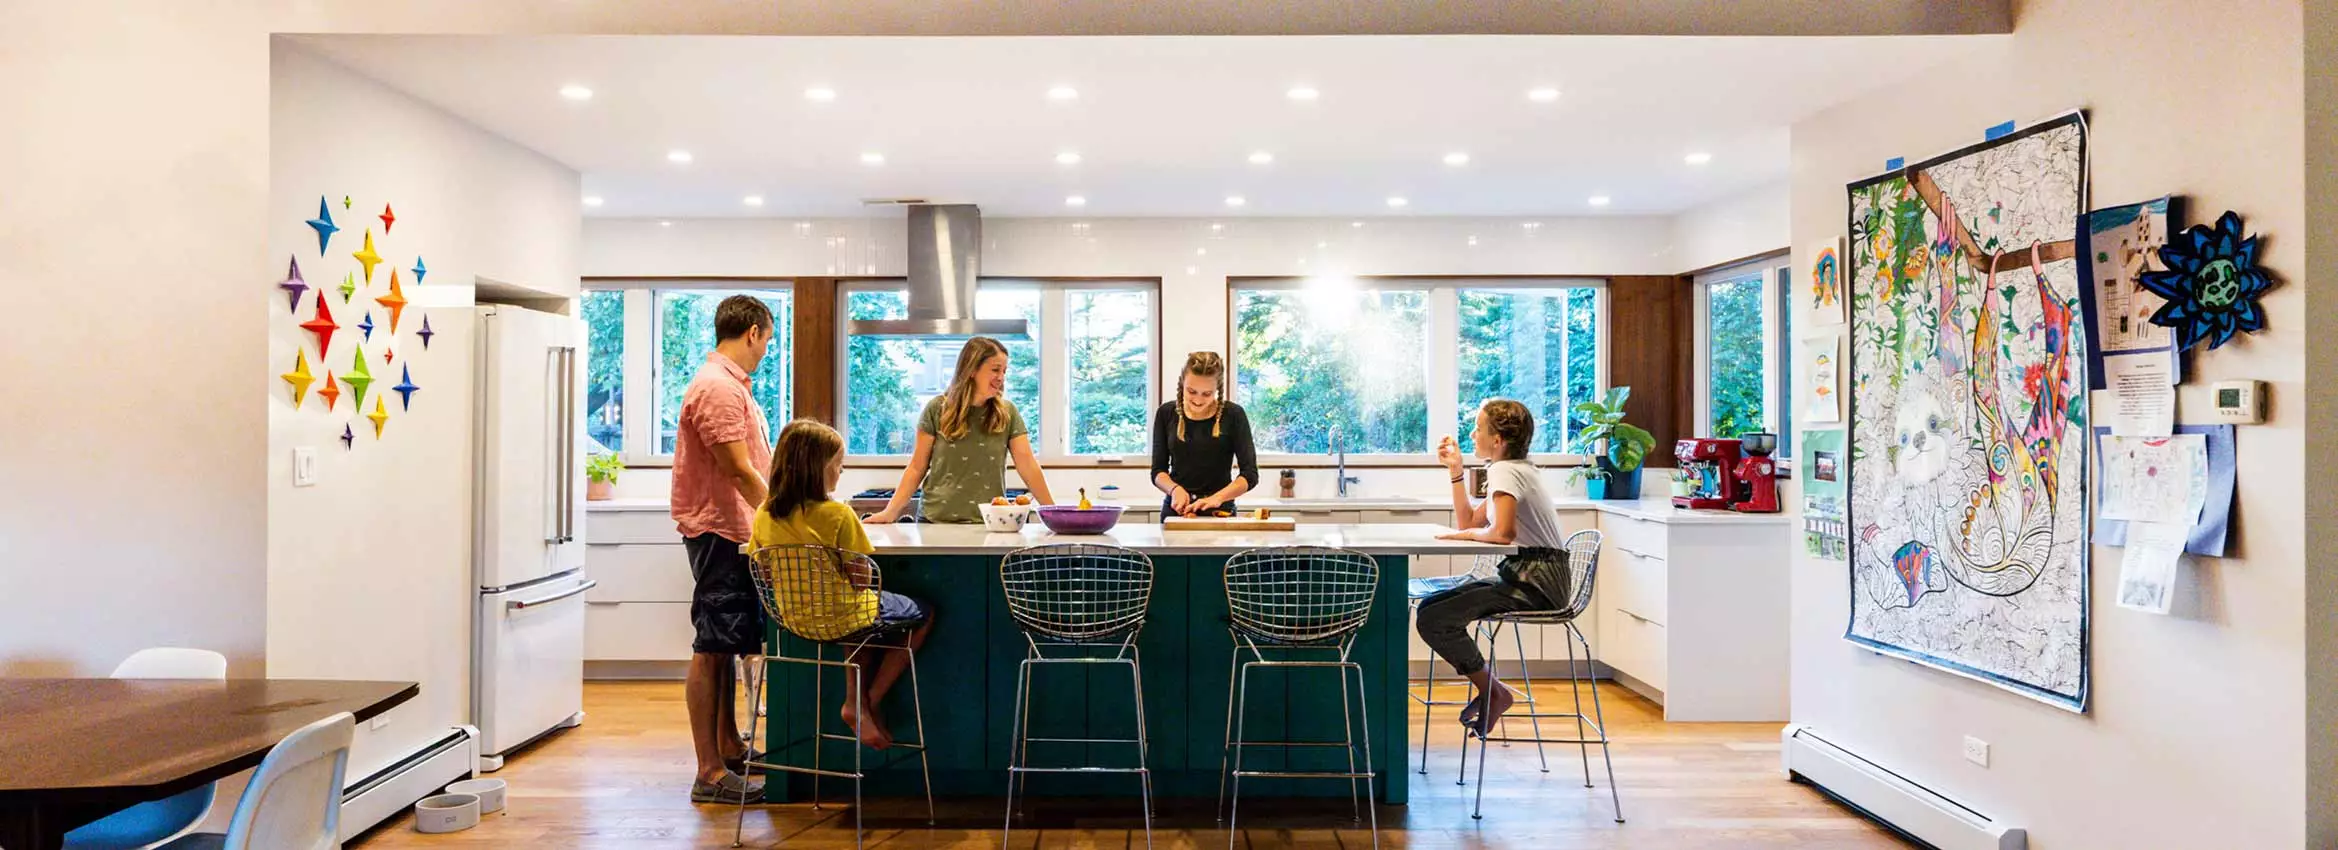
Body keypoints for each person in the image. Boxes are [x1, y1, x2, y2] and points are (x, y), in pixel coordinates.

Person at [751, 419, 934, 750]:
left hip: (792, 619)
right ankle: (869, 701)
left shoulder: (764, 513)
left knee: (855, 620)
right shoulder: (838, 515)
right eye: (838, 465)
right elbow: (862, 579)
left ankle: (856, 703)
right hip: (843, 615)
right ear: (817, 470)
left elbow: (764, 571)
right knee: (921, 613)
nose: (841, 473)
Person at [669, 295, 776, 803]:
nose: (765, 352)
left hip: (732, 531)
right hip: (719, 531)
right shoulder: (717, 389)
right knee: (712, 646)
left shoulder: (729, 385)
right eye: (767, 341)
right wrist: (781, 516)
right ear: (753, 332)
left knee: (726, 641)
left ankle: (730, 746)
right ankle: (709, 773)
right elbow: (737, 468)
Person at [1416, 399, 1573, 736]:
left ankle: (1494, 691)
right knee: (1432, 609)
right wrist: (1456, 472)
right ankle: (1492, 690)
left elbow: (1502, 534)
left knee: (1433, 618)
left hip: (1536, 582)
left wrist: (1464, 535)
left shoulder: (1505, 470)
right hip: (1531, 575)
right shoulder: (1512, 468)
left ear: (1498, 440)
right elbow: (1470, 520)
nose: (1472, 434)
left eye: (1478, 427)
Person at [864, 337, 1057, 523]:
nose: (1001, 378)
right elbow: (916, 467)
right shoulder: (937, 409)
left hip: (989, 523)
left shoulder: (1007, 413)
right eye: (995, 370)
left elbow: (1028, 465)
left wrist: (1054, 515)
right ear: (972, 369)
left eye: (1004, 371)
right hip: (934, 522)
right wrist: (890, 512)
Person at [1149, 351, 1259, 516]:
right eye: (1191, 391)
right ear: (1182, 384)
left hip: (1220, 511)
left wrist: (1217, 498)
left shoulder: (1234, 415)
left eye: (1207, 394)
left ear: (1217, 390)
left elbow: (1250, 475)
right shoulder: (1166, 413)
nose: (1198, 400)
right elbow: (1158, 471)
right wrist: (1175, 490)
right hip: (1177, 510)